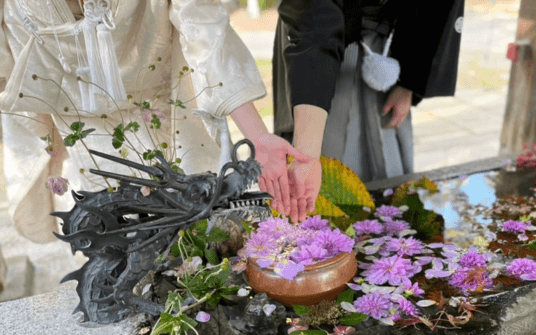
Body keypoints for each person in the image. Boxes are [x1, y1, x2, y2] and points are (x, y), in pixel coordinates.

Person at [0, 0, 309, 243]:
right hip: (85, 152)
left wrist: (257, 136)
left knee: (195, 247)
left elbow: (206, 34)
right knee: (106, 256)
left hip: (169, 129)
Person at [273, 0, 464, 222]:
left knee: (389, 176)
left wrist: (410, 80)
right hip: (315, 35)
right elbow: (314, 26)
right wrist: (307, 155)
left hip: (391, 44)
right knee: (317, 165)